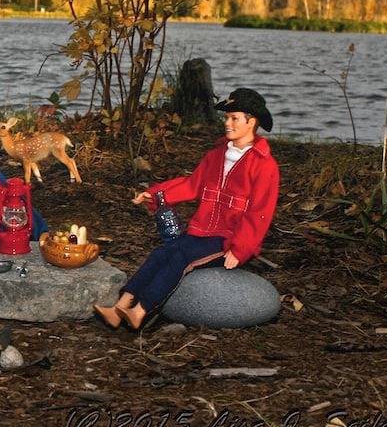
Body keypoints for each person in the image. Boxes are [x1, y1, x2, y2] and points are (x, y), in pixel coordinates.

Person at [95, 88, 280, 330]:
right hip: (201, 230)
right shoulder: (217, 155)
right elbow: (192, 185)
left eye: (234, 118)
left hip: (226, 240)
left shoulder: (264, 165)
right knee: (163, 253)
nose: (227, 123)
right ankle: (120, 307)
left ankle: (140, 311)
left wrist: (240, 249)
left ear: (251, 121)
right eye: (227, 118)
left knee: (180, 259)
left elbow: (260, 213)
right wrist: (155, 194)